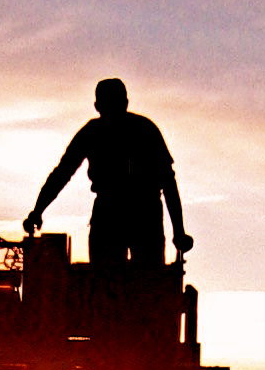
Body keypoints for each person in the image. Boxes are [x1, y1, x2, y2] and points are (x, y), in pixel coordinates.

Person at [24, 78, 192, 274]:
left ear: (97, 106)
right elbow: (168, 183)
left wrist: (38, 210)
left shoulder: (97, 132)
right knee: (137, 285)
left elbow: (62, 173)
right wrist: (178, 232)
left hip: (131, 214)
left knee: (120, 284)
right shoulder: (144, 129)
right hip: (137, 215)